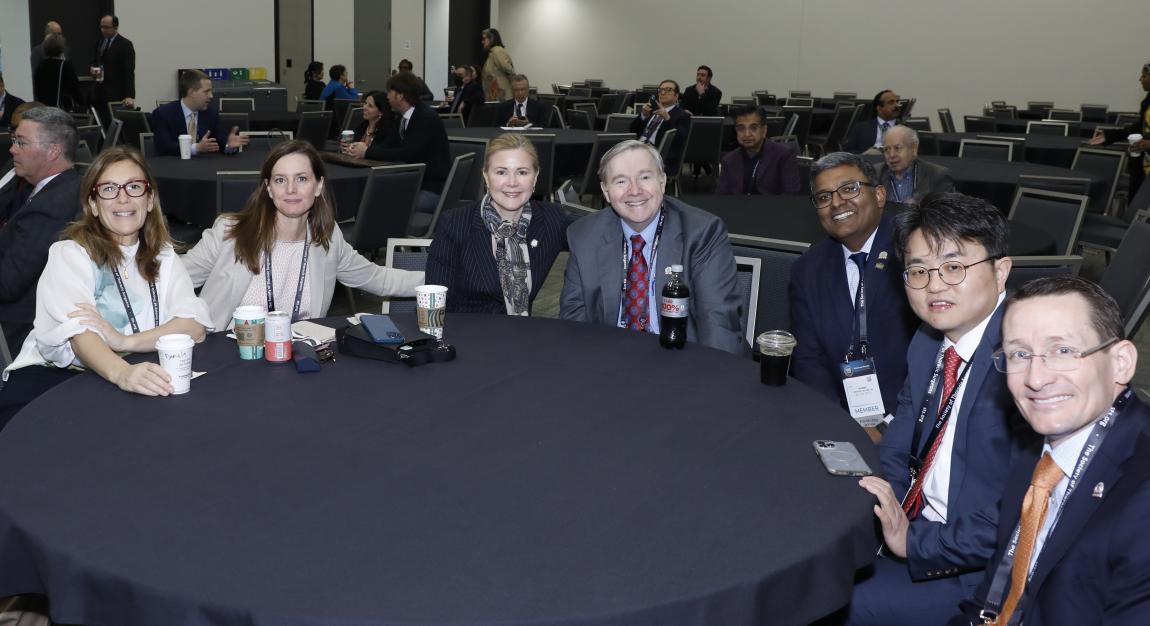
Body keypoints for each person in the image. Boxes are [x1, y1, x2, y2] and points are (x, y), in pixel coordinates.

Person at [843, 192, 1034, 625]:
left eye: (953, 267)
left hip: (983, 571)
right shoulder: (930, 340)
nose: (933, 285)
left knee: (835, 601)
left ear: (1001, 271)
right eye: (918, 270)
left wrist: (914, 544)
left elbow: (1026, 511)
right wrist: (885, 501)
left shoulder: (1028, 363)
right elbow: (902, 436)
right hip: (916, 526)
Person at [949, 276, 1150, 626]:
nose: (1036, 379)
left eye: (1063, 351)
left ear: (1121, 362)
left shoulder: (1141, 497)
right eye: (1020, 354)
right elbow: (995, 587)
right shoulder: (1036, 445)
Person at [0, 146, 212, 429]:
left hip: (135, 368)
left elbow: (193, 325)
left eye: (134, 187)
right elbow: (80, 336)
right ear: (94, 205)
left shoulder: (163, 256)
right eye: (109, 189)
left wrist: (123, 342)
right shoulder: (70, 254)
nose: (123, 198)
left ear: (149, 200)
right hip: (57, 379)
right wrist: (122, 373)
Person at [182, 140, 424, 330]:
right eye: (280, 180)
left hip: (296, 359)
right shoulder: (229, 233)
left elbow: (377, 278)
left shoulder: (327, 238)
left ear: (318, 186)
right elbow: (172, 279)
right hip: (230, 359)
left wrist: (442, 279)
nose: (290, 190)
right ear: (268, 188)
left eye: (301, 179)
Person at [560, 140, 743, 354]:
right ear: (605, 191)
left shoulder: (702, 233)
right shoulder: (584, 235)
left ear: (663, 182)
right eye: (621, 181)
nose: (635, 191)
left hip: (684, 357)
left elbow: (718, 323)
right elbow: (574, 322)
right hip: (611, 358)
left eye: (645, 177)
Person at [789, 152, 918, 429]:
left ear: (880, 195)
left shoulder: (914, 254)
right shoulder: (807, 270)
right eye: (823, 197)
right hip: (838, 418)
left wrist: (889, 427)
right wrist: (841, 423)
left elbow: (934, 353)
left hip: (912, 420)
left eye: (850, 189)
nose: (836, 202)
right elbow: (809, 361)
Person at [427, 133, 570, 315]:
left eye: (522, 172)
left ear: (535, 178)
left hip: (520, 336)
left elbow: (599, 233)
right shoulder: (454, 224)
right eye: (501, 172)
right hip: (464, 336)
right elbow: (434, 304)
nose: (512, 182)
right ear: (486, 177)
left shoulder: (552, 219)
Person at [0, 107, 82, 358]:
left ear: (53, 150)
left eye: (21, 142)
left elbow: (7, 285)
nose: (12, 149)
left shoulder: (50, 207)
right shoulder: (62, 186)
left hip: (16, 328)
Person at [344, 72, 451, 215]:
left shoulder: (425, 118)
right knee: (371, 195)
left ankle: (379, 235)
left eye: (390, 92)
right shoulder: (403, 117)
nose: (387, 96)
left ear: (400, 96)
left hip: (432, 188)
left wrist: (367, 152)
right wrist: (361, 149)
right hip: (414, 182)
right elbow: (389, 145)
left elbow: (407, 153)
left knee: (382, 200)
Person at [151, 69, 249, 157]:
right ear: (191, 92)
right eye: (206, 92)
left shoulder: (211, 113)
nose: (211, 96)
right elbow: (163, 147)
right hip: (173, 168)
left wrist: (229, 145)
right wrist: (196, 148)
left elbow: (220, 140)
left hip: (203, 169)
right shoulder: (163, 113)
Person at [1091, 61, 1150, 196]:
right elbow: (1139, 127)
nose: (1140, 79)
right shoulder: (1148, 101)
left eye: (1144, 76)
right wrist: (1109, 135)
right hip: (1144, 170)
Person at [716, 104, 801, 195]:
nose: (747, 134)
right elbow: (721, 198)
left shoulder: (784, 156)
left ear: (764, 131)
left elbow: (791, 197)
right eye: (741, 129)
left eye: (753, 128)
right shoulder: (729, 160)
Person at [874, 126, 954, 206]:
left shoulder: (936, 175)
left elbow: (946, 212)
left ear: (914, 148)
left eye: (897, 148)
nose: (891, 155)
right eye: (887, 149)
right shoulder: (874, 174)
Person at [630, 79, 691, 177]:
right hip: (639, 149)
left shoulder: (682, 115)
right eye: (661, 90)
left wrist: (667, 119)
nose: (663, 93)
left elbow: (679, 140)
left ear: (676, 96)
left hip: (660, 156)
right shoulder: (651, 111)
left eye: (668, 90)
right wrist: (643, 115)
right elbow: (632, 130)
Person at [92, 15, 136, 111]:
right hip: (99, 93)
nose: (103, 30)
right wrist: (94, 71)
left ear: (115, 27)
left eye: (106, 27)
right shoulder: (99, 42)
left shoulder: (125, 45)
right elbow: (96, 62)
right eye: (101, 27)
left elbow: (128, 71)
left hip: (116, 94)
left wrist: (129, 95)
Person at [32, 34, 83, 111]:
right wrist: (83, 104)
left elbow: (37, 89)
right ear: (62, 48)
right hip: (61, 110)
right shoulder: (65, 66)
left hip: (44, 109)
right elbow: (75, 89)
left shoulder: (40, 66)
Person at [843, 89, 900, 154]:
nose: (896, 105)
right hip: (868, 161)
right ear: (879, 109)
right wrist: (864, 155)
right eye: (891, 102)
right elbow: (848, 152)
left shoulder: (905, 128)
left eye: (897, 102)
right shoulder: (861, 127)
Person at [481, 28, 516, 102]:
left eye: (484, 39)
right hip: (495, 98)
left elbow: (509, 70)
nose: (482, 42)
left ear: (491, 39)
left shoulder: (497, 51)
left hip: (501, 98)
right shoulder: (492, 53)